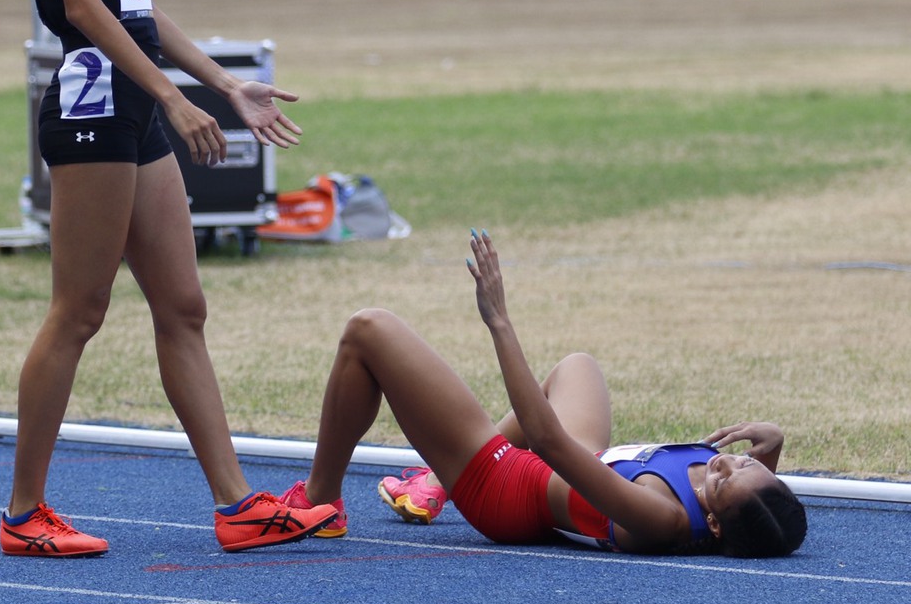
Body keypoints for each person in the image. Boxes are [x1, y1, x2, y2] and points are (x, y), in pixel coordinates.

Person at [0, 0, 334, 558]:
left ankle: (236, 503)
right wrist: (175, 101)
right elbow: (82, 10)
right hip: (94, 111)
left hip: (132, 106)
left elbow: (138, 7)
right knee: (79, 310)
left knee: (183, 304)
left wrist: (221, 82)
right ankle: (23, 512)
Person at [281, 231, 809, 558]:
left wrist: (499, 321)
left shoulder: (662, 519)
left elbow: (546, 440)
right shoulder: (744, 508)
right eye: (745, 465)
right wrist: (774, 444)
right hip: (589, 458)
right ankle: (432, 481)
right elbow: (762, 516)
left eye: (724, 481)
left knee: (368, 331)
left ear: (711, 524)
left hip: (509, 489)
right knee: (577, 366)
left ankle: (320, 501)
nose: (726, 464)